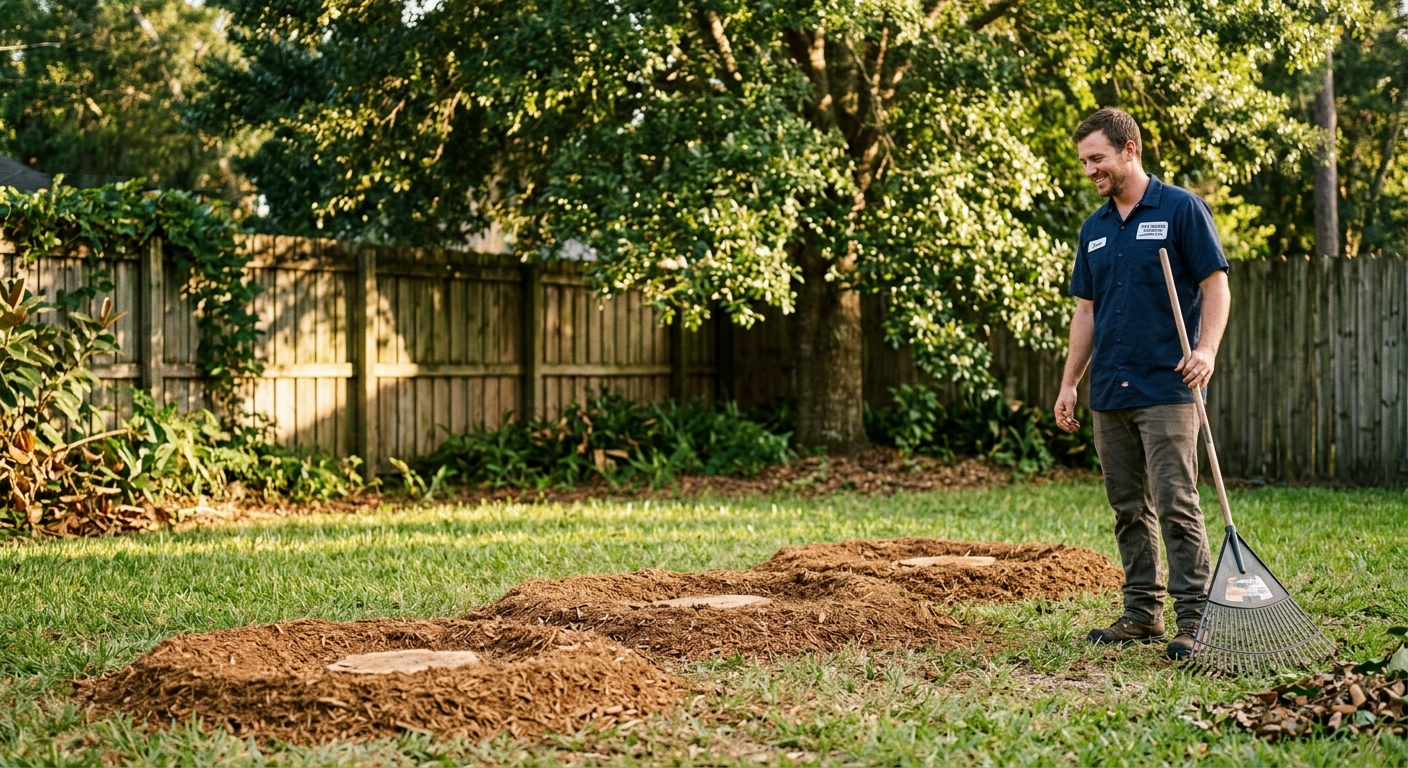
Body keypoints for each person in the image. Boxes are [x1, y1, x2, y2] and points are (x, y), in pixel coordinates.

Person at [1053, 107, 1231, 661]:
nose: (1090, 170)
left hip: (1168, 386)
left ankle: (1194, 619)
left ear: (1129, 149)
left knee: (1177, 503)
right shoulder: (1095, 228)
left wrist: (1206, 349)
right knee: (1127, 506)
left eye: (1097, 158)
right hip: (1110, 389)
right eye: (1085, 162)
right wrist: (1070, 383)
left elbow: (1216, 285)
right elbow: (1086, 311)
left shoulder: (1180, 209)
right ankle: (1141, 613)